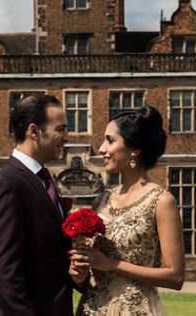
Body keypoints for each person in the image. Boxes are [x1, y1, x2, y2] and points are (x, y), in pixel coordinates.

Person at [69, 106, 185, 316]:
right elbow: (93, 266)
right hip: (91, 309)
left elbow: (175, 277)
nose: (102, 148)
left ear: (134, 150)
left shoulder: (161, 201)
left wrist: (112, 264)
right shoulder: (101, 200)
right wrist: (79, 273)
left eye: (110, 140)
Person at [0, 95, 74, 316]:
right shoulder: (9, 183)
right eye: (60, 129)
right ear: (34, 131)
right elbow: (3, 268)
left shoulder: (42, 180)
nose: (67, 137)